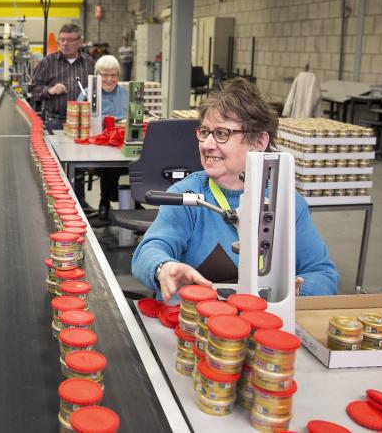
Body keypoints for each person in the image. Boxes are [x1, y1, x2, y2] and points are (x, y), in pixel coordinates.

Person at [131, 78, 339, 301]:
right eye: (205, 132)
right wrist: (164, 267)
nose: (207, 145)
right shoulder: (187, 195)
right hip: (197, 325)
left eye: (222, 134)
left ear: (259, 141)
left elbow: (323, 275)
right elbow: (147, 251)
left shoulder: (287, 202)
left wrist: (295, 290)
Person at [31, 23, 95, 208]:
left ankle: (80, 202)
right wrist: (50, 90)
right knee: (57, 164)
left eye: (70, 40)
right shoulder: (48, 62)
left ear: (80, 42)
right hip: (55, 122)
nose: (65, 44)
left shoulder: (89, 63)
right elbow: (34, 89)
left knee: (79, 164)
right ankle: (56, 203)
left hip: (82, 123)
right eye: (62, 40)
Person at [76, 55, 129, 220]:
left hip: (121, 145)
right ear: (97, 75)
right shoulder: (86, 95)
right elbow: (80, 124)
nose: (109, 79)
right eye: (104, 75)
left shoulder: (127, 94)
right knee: (109, 165)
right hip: (95, 148)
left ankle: (132, 200)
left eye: (113, 75)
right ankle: (106, 200)